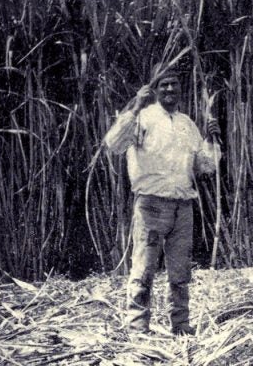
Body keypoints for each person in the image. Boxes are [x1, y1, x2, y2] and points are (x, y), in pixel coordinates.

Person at [104, 64, 221, 335]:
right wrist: (134, 107)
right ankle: (137, 328)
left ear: (181, 89)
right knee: (144, 269)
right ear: (155, 89)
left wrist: (212, 139)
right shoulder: (142, 118)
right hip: (151, 205)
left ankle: (180, 326)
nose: (169, 89)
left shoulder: (186, 124)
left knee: (180, 273)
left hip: (183, 207)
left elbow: (205, 167)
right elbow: (114, 144)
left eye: (174, 84)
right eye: (163, 84)